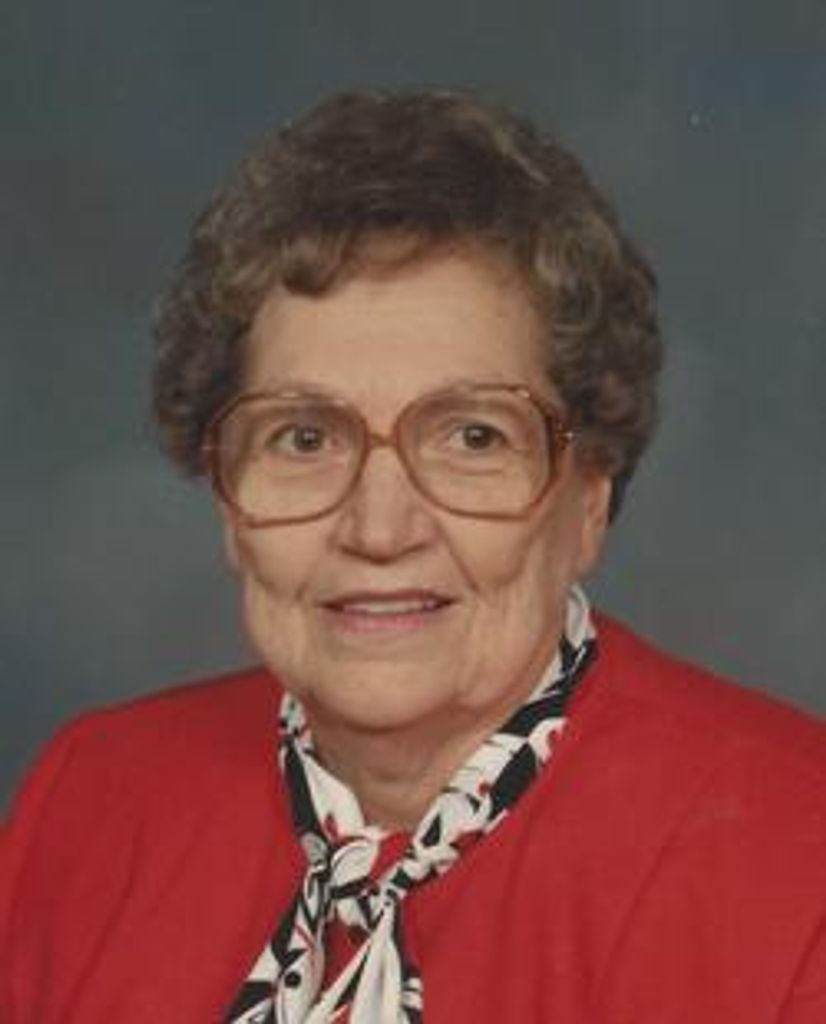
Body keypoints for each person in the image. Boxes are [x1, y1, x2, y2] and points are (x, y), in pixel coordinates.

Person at [2, 89, 826, 1024]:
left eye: (473, 436)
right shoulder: (90, 800)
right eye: (305, 438)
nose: (380, 528)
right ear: (229, 497)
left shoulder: (800, 867)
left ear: (589, 495)